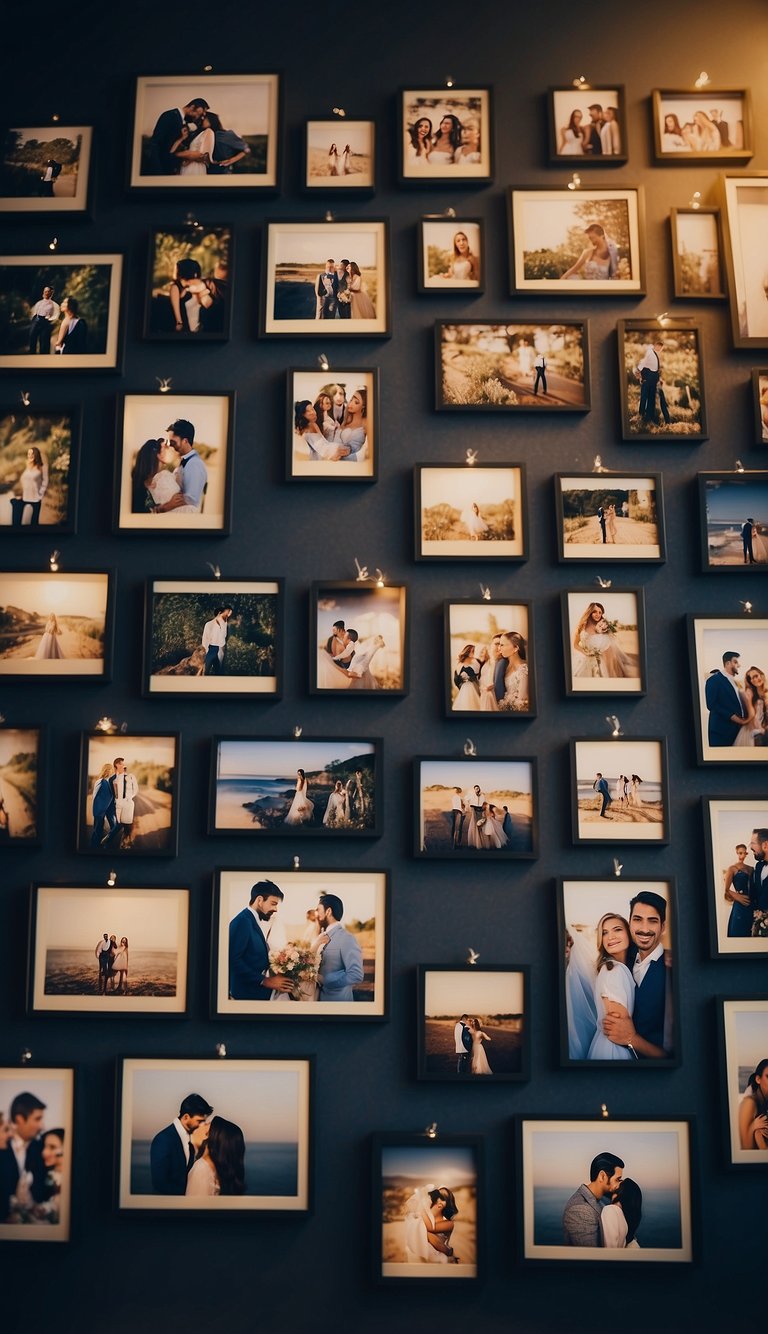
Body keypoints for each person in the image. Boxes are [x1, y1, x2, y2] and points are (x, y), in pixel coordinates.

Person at [601, 891, 672, 1059]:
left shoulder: (672, 971)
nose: (644, 929)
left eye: (653, 921)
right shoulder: (624, 955)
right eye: (637, 919)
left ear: (663, 927)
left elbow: (675, 1057)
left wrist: (632, 1039)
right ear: (630, 923)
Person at [228, 880, 294, 1001]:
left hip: (256, 992)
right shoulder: (242, 921)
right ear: (259, 900)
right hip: (246, 995)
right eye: (273, 903)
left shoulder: (251, 920)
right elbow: (233, 960)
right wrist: (265, 981)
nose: (276, 909)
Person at [586, 914, 636, 1061]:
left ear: (629, 933)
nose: (610, 936)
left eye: (617, 929)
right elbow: (618, 1027)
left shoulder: (615, 968)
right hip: (615, 1049)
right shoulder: (614, 970)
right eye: (605, 933)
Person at [150, 1093, 213, 1195]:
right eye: (199, 1121)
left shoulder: (189, 1139)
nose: (202, 1125)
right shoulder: (163, 1139)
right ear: (186, 1117)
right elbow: (159, 1183)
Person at [0, 1092, 49, 1223]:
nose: (42, 1126)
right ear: (20, 1119)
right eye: (37, 1119)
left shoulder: (44, 1149)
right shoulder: (2, 1147)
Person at [562, 1151, 624, 1246]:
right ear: (602, 1176)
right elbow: (591, 1256)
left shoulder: (604, 1199)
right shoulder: (579, 1210)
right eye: (617, 1179)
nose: (619, 1185)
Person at [314, 894, 364, 1001]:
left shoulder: (347, 938)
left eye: (318, 910)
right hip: (318, 1001)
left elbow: (356, 974)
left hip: (338, 1004)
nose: (316, 913)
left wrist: (325, 980)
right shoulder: (321, 937)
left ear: (328, 911)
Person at [153, 419, 208, 513]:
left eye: (173, 442)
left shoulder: (194, 464)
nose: (170, 445)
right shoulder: (184, 462)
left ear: (185, 441)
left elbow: (191, 499)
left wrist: (165, 507)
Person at [572, 601, 637, 679]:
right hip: (585, 660)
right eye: (595, 612)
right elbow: (575, 644)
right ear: (589, 612)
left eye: (600, 612)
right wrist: (585, 652)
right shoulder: (581, 627)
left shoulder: (604, 627)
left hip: (599, 661)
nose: (598, 615)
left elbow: (609, 646)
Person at [186, 1116, 246, 1196]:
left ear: (208, 1135)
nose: (199, 1125)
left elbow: (193, 1207)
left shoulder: (202, 1170)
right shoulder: (219, 1171)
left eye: (207, 1124)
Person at [148, 97, 209, 174]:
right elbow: (155, 142)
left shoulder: (183, 121)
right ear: (192, 107)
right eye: (198, 114)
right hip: (161, 167)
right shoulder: (169, 116)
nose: (197, 117)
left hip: (171, 166)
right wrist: (157, 169)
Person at [403, 1185, 459, 1263]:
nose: (437, 1197)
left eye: (443, 1197)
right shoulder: (420, 1220)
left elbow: (430, 1228)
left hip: (439, 1263)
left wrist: (422, 1208)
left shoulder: (449, 1224)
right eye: (437, 1194)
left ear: (444, 1204)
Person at [705, 651, 747, 746]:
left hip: (737, 731)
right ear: (728, 663)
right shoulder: (714, 680)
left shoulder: (735, 683)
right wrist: (734, 717)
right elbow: (712, 705)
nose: (739, 665)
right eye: (735, 662)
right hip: (721, 732)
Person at [131, 437, 183, 512]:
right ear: (159, 455)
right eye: (166, 447)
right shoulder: (140, 486)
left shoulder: (165, 477)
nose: (171, 449)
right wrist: (165, 507)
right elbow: (138, 512)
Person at [600, 1178, 642, 1248]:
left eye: (617, 1188)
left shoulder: (611, 1210)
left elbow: (609, 1252)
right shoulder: (623, 1217)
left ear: (622, 1193)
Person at [12, 447, 48, 526]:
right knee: (19, 520)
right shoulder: (27, 466)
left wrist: (40, 495)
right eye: (28, 454)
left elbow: (45, 481)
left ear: (36, 455)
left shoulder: (42, 467)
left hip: (35, 498)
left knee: (34, 523)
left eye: (32, 454)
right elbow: (22, 480)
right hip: (24, 497)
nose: (30, 456)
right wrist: (20, 493)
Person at [171, 111, 215, 176]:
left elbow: (202, 154)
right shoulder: (197, 133)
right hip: (187, 164)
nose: (202, 120)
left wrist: (186, 158)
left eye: (205, 118)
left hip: (195, 165)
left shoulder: (209, 131)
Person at [724, 842, 754, 937]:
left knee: (750, 930)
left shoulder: (751, 868)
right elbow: (726, 889)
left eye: (743, 853)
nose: (741, 855)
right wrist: (736, 896)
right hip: (739, 904)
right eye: (739, 853)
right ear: (737, 853)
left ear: (746, 853)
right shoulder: (732, 868)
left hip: (751, 904)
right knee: (738, 930)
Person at [738, 1058, 768, 1149]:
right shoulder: (749, 1103)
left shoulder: (764, 1101)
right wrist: (753, 1127)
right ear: (758, 1079)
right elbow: (746, 1148)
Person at [90, 760, 120, 848]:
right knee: (97, 831)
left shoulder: (108, 782)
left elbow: (112, 795)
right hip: (99, 811)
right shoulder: (100, 781)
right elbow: (96, 797)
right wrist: (97, 812)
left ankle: (104, 845)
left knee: (111, 828)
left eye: (111, 770)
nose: (111, 771)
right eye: (109, 769)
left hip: (107, 810)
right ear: (106, 771)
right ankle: (93, 848)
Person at [635, 340, 665, 424]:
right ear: (657, 346)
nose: (660, 349)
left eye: (661, 348)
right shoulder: (650, 351)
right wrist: (638, 370)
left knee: (651, 397)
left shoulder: (654, 353)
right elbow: (644, 361)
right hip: (648, 376)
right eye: (660, 347)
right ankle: (641, 415)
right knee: (644, 396)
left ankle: (649, 416)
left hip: (653, 377)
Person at [112, 757, 138, 850]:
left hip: (128, 804)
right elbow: (115, 794)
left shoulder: (131, 777)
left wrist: (129, 798)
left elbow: (135, 789)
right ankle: (119, 843)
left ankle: (126, 843)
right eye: (121, 764)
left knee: (127, 825)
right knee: (118, 825)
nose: (123, 767)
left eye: (124, 765)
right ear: (116, 767)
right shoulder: (115, 779)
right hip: (119, 805)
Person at [499, 630, 529, 711]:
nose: (499, 648)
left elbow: (522, 700)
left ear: (515, 648)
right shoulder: (504, 666)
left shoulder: (523, 670)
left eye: (502, 645)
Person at [201, 605, 232, 675]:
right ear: (219, 613)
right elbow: (205, 639)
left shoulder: (225, 625)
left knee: (219, 672)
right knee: (206, 671)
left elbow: (224, 638)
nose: (227, 616)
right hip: (211, 649)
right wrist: (207, 650)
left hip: (220, 649)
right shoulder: (209, 624)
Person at [28, 286, 60, 354]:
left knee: (44, 339)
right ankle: (32, 352)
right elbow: (34, 311)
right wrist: (33, 317)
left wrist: (50, 319)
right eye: (45, 291)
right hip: (36, 320)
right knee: (32, 336)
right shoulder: (39, 303)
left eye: (48, 291)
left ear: (51, 293)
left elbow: (56, 314)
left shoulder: (54, 305)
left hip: (45, 321)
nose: (46, 293)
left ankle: (43, 354)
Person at [453, 644, 481, 711]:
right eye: (471, 651)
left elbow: (478, 676)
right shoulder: (460, 665)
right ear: (467, 652)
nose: (473, 653)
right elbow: (457, 680)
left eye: (473, 651)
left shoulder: (476, 663)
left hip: (475, 686)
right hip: (465, 688)